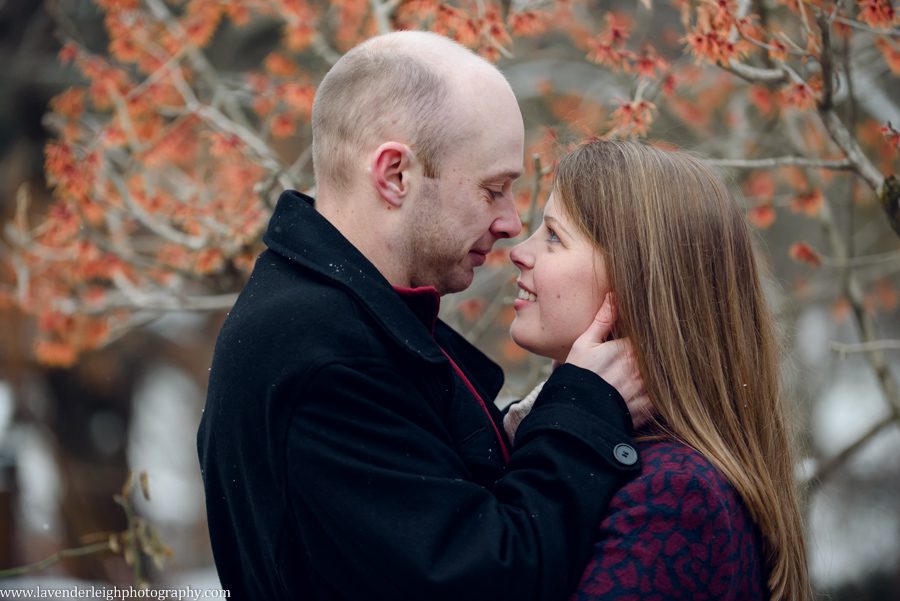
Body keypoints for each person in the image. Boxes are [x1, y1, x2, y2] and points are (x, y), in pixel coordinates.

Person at [198, 32, 649, 601]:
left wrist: (527, 429)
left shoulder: (344, 317)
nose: (512, 224)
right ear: (395, 176)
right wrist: (584, 414)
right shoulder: (326, 356)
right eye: (493, 189)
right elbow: (487, 581)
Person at [505, 139, 812, 601]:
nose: (518, 251)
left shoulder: (676, 495)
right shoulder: (602, 449)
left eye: (553, 236)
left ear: (637, 281)